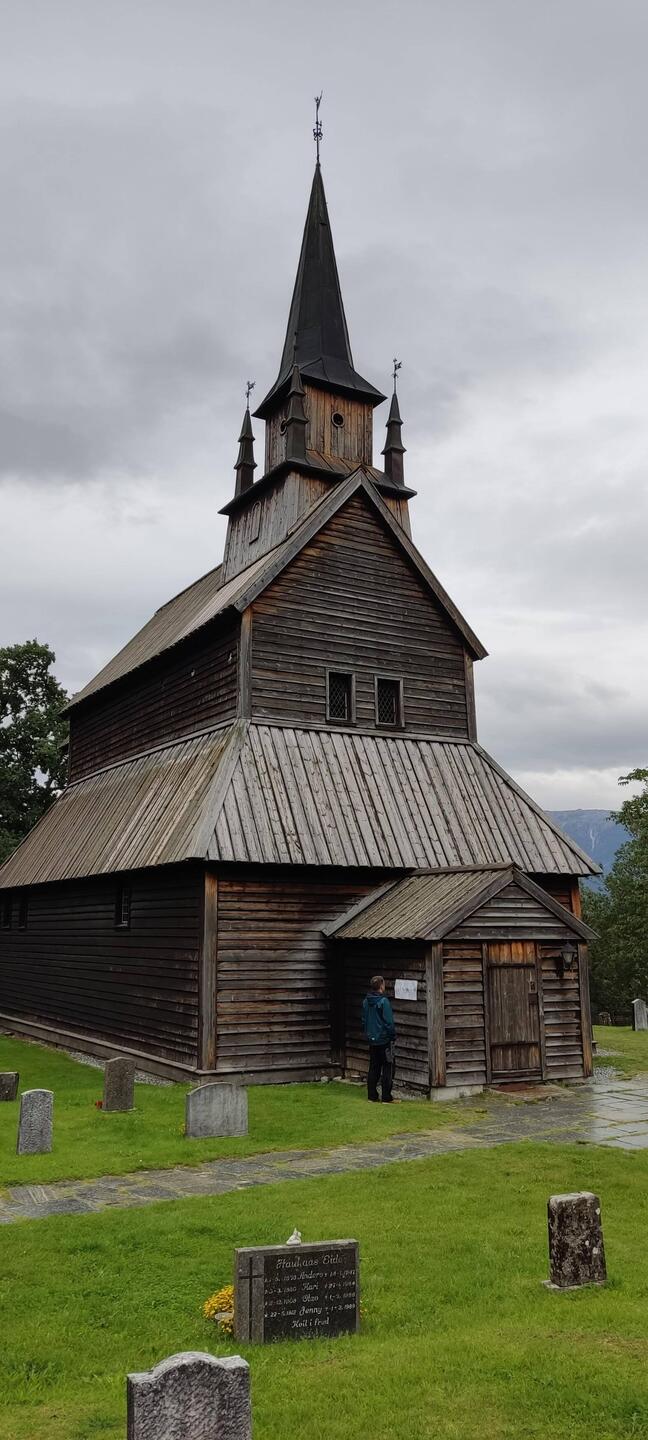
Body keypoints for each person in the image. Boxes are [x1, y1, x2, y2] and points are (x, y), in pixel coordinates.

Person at [362, 975, 396, 1103]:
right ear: (381, 986)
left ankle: (372, 1096)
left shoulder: (366, 1001)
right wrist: (392, 1036)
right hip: (384, 1040)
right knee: (388, 1067)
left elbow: (363, 1020)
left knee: (373, 1067)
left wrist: (368, 1034)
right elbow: (389, 1022)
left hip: (372, 1040)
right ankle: (386, 1097)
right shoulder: (383, 1001)